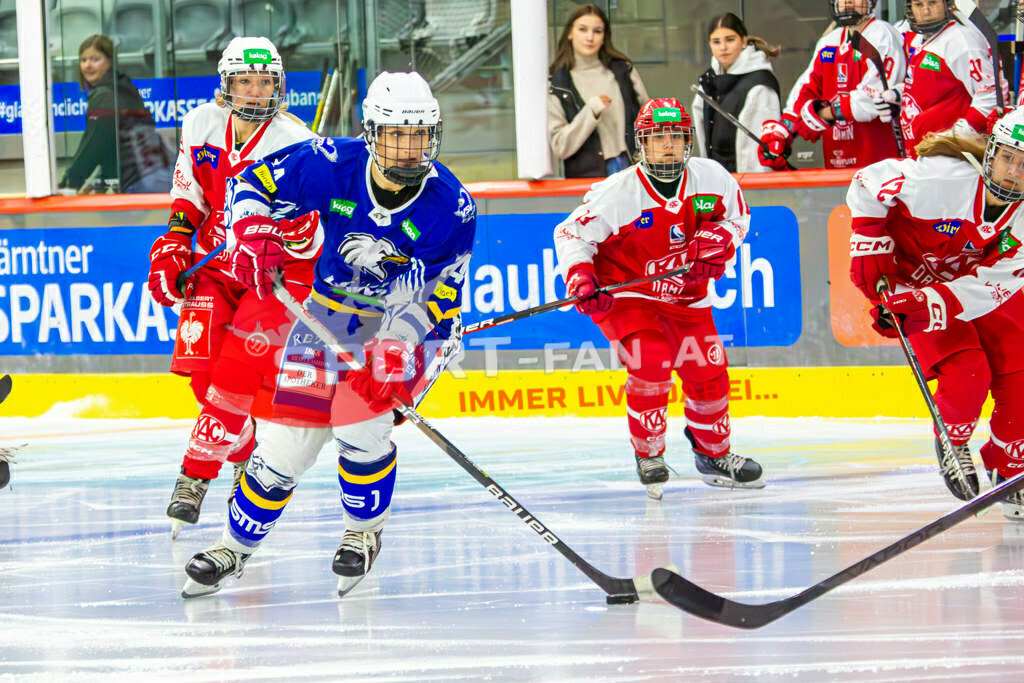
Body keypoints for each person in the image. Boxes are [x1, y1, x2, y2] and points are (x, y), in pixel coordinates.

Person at [179, 71, 476, 598]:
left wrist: (392, 351)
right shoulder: (330, 163)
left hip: (411, 324)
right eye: (395, 135)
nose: (408, 150)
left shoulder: (450, 205)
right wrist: (254, 232)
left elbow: (437, 294)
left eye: (419, 135)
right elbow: (247, 184)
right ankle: (234, 547)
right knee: (286, 440)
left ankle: (363, 533)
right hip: (328, 311)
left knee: (358, 423)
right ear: (370, 133)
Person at [147, 36, 320, 538]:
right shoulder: (201, 122)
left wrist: (279, 237)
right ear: (226, 85)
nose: (256, 91)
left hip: (274, 276)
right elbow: (189, 191)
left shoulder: (297, 141)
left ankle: (194, 474)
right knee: (203, 379)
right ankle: (243, 455)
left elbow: (311, 225)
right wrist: (175, 242)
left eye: (266, 81)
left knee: (235, 376)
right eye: (245, 80)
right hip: (216, 268)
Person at [553, 97, 765, 501]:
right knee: (650, 363)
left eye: (675, 136)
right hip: (628, 293)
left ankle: (713, 454)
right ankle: (649, 453)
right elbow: (570, 234)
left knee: (708, 372)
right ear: (641, 144)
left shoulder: (712, 178)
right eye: (657, 137)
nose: (667, 145)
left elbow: (738, 218)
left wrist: (718, 241)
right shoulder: (619, 192)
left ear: (687, 140)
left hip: (687, 297)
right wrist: (581, 275)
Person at [846, 109, 1024, 518]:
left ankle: (1011, 467)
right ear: (991, 153)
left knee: (1020, 386)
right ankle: (954, 440)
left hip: (976, 291)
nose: (1013, 172)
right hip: (913, 280)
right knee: (968, 374)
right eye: (1007, 157)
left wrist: (935, 302)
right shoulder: (941, 179)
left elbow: (995, 284)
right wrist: (871, 239)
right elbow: (866, 182)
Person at [759, 1, 906, 170]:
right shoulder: (830, 41)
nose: (847, 2)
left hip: (880, 165)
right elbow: (807, 88)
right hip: (837, 164)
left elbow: (873, 97)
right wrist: (783, 133)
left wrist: (824, 113)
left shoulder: (882, 34)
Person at [874, 1, 1007, 158]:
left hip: (950, 157)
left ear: (946, 5)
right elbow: (929, 88)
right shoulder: (920, 40)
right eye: (919, 5)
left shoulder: (961, 40)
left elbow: (991, 92)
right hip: (924, 153)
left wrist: (960, 133)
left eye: (932, 2)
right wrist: (897, 94)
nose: (926, 10)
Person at [58, 34, 173, 194]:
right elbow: (113, 145)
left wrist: (69, 183)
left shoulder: (105, 97)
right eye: (83, 60)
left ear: (110, 62)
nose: (88, 65)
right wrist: (99, 184)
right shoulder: (122, 87)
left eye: (95, 59)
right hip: (156, 173)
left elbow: (94, 146)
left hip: (141, 180)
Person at [548, 4, 649, 178]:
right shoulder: (557, 84)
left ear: (604, 37)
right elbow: (560, 146)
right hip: (589, 176)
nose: (590, 37)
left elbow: (649, 118)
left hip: (632, 168)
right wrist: (591, 111)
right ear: (570, 34)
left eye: (597, 31)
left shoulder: (624, 71)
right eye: (582, 29)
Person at [691, 13, 782, 173]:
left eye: (730, 39)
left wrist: (753, 192)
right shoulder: (708, 81)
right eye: (716, 41)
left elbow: (757, 159)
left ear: (744, 40)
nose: (723, 47)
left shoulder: (760, 85)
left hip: (747, 186)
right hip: (715, 183)